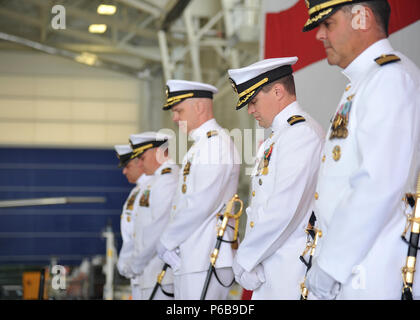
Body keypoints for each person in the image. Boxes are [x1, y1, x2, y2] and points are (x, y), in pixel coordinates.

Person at [301, 0, 420, 299]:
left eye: (328, 24)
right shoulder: (365, 81)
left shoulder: (389, 78)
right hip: (356, 268)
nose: (319, 35)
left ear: (362, 17)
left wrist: (331, 265)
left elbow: (378, 182)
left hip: (373, 271)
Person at [227, 57, 325, 299]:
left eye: (253, 101)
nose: (250, 110)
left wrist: (245, 258)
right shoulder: (278, 137)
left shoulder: (301, 134)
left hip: (290, 273)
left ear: (278, 91)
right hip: (270, 268)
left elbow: (283, 209)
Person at [157, 80, 240, 299]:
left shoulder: (215, 144)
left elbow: (200, 204)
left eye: (178, 110)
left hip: (206, 256)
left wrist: (167, 240)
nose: (174, 118)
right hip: (194, 255)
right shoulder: (202, 146)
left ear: (200, 107)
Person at [127, 132, 179, 300]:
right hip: (149, 274)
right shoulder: (156, 180)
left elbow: (157, 228)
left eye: (142, 157)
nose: (140, 164)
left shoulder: (168, 178)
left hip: (160, 273)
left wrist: (136, 264)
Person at [114, 144, 152, 299]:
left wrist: (128, 263)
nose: (124, 171)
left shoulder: (151, 187)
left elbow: (145, 232)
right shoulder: (137, 191)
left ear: (139, 163)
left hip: (149, 270)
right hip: (138, 273)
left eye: (127, 166)